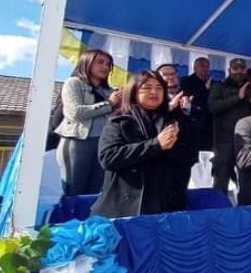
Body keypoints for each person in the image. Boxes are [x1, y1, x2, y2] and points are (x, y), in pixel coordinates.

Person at [92, 71, 197, 218]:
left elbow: (190, 156)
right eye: (147, 87)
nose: (154, 92)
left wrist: (171, 146)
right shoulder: (120, 120)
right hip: (124, 209)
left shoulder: (176, 120)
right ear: (134, 90)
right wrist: (156, 145)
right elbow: (108, 157)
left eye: (159, 87)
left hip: (165, 205)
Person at [56, 49, 121, 196]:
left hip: (103, 145)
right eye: (100, 62)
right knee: (74, 192)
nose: (105, 67)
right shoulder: (74, 83)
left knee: (95, 193)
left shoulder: (110, 91)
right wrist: (109, 104)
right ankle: (70, 219)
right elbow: (75, 112)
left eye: (108, 64)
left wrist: (119, 106)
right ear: (86, 62)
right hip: (77, 142)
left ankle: (89, 220)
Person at [208, 58, 251, 192]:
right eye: (235, 68)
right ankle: (218, 211)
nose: (239, 71)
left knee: (248, 179)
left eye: (242, 68)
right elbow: (213, 107)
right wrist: (237, 98)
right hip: (224, 140)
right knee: (221, 180)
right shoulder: (219, 87)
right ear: (229, 70)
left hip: (246, 141)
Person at [179, 57, 213, 151]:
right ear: (195, 68)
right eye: (202, 66)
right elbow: (188, 99)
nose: (205, 69)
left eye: (207, 66)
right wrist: (205, 88)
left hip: (209, 125)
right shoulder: (186, 80)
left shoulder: (213, 82)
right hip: (193, 123)